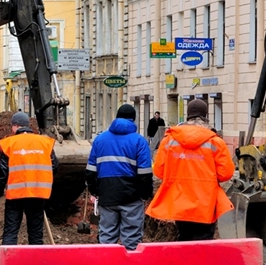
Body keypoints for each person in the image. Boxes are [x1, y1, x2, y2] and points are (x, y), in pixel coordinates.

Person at [146, 99, 234, 241]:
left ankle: (184, 263)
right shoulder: (215, 141)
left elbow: (159, 171)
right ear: (206, 116)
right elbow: (226, 174)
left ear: (187, 116)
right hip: (206, 203)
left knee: (184, 239)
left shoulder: (170, 139)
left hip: (179, 201)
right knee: (203, 243)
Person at [86, 104, 153, 250]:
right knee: (132, 242)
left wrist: (96, 191)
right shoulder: (139, 141)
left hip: (107, 195)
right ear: (133, 120)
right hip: (131, 197)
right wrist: (145, 195)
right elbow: (145, 174)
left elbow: (91, 170)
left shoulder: (100, 140)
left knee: (107, 240)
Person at [0, 111, 58, 246]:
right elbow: (54, 166)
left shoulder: (9, 143)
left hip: (15, 196)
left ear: (15, 126)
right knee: (36, 235)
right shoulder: (44, 142)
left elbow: (2, 173)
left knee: (10, 233)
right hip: (38, 195)